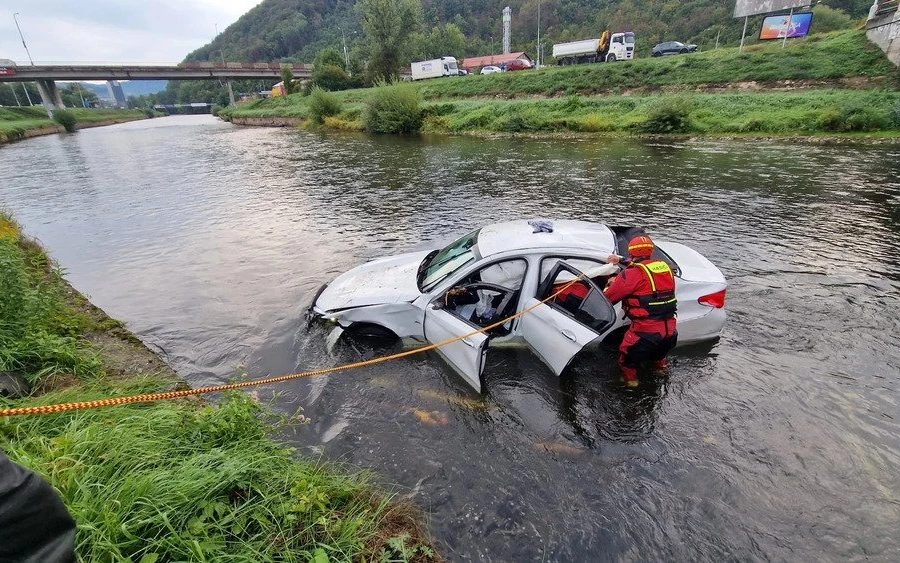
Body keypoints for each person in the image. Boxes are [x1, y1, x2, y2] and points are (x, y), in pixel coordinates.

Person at [604, 234, 677, 388]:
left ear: (631, 252)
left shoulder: (631, 274)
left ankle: (632, 386)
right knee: (659, 356)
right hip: (669, 331)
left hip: (644, 333)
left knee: (626, 362)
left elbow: (609, 298)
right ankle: (660, 370)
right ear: (650, 252)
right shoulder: (665, 267)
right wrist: (621, 260)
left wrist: (610, 283)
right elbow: (643, 267)